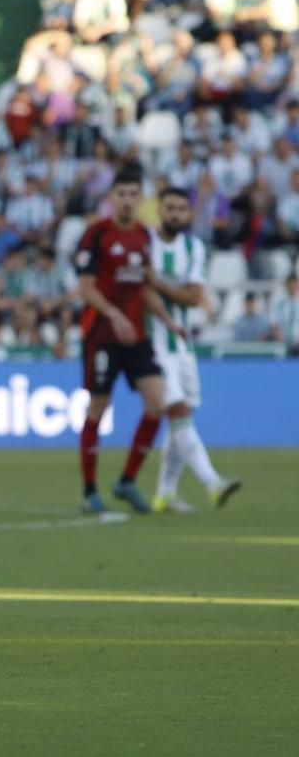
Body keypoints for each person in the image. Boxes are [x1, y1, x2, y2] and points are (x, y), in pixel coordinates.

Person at [73, 169, 186, 515]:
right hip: (102, 336)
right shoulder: (96, 234)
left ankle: (126, 481)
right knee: (98, 409)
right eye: (120, 193)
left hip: (136, 336)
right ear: (112, 198)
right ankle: (90, 490)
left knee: (158, 401)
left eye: (132, 194)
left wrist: (168, 321)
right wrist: (114, 314)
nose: (126, 200)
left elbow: (144, 287)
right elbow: (86, 287)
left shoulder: (143, 236)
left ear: (140, 199)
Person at [148, 189, 242, 514]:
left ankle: (165, 493)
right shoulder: (147, 243)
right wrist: (155, 287)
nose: (175, 214)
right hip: (152, 344)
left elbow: (193, 297)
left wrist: (155, 283)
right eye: (169, 207)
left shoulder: (194, 248)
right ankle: (212, 483)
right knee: (178, 412)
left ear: (188, 215)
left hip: (183, 345)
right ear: (159, 210)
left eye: (180, 209)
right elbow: (141, 290)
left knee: (181, 417)